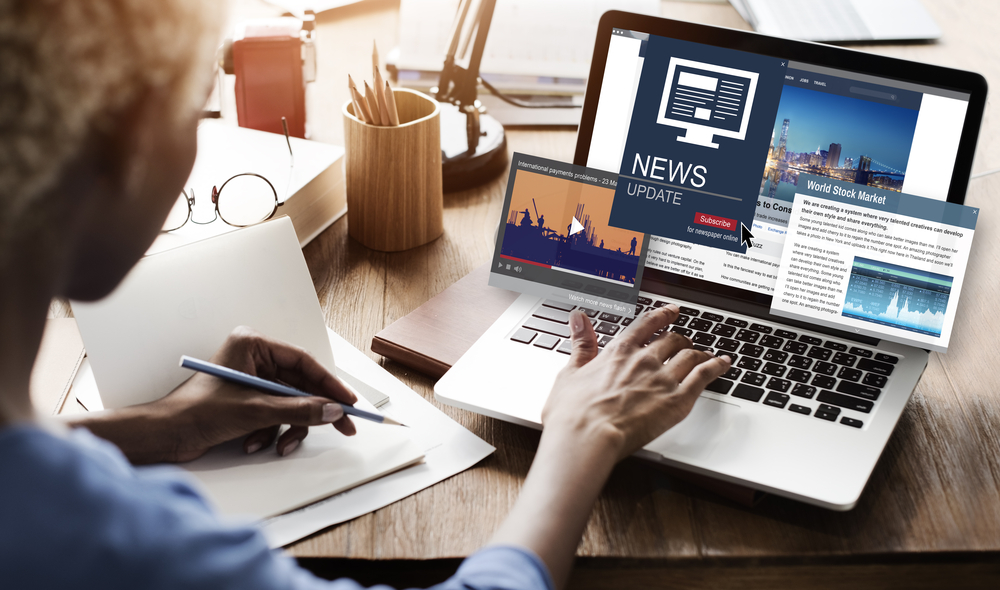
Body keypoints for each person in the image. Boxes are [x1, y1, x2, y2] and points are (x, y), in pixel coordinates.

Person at [0, 2, 730, 589]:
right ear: (123, 146)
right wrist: (581, 437)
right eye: (196, 110)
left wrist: (157, 426)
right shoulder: (128, 547)